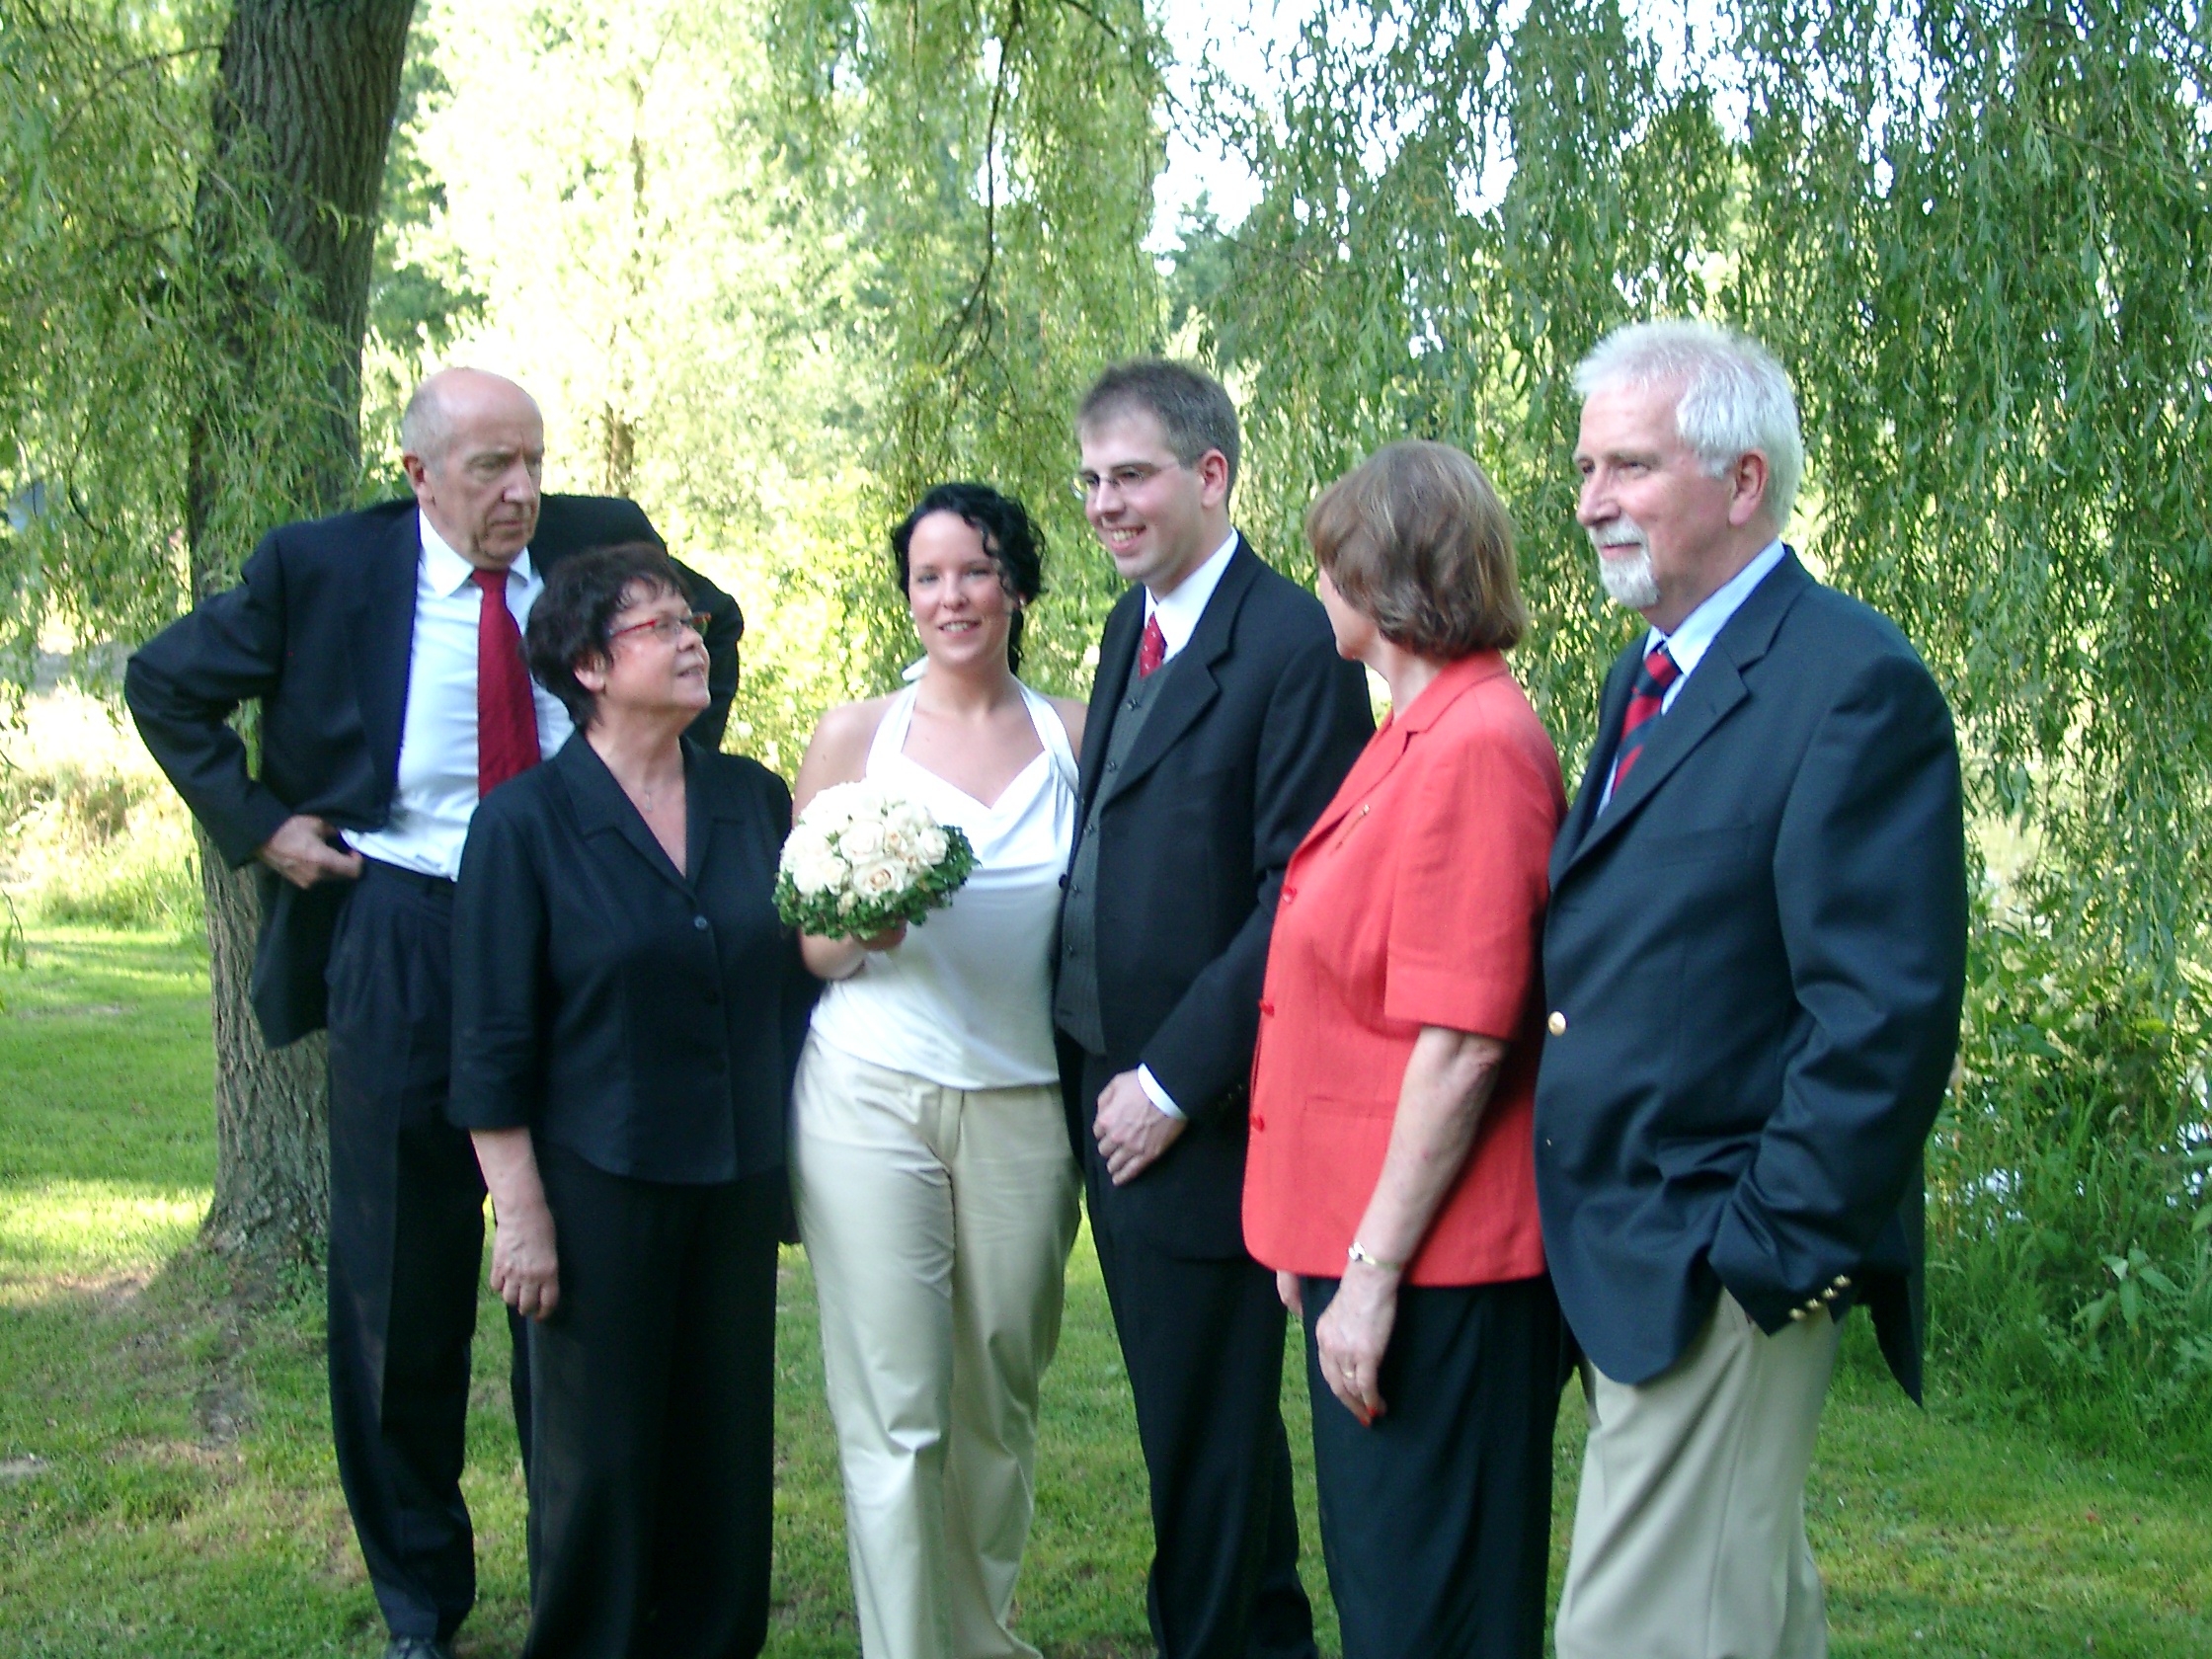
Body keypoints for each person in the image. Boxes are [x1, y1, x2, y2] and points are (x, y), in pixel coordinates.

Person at [122, 368, 742, 1659]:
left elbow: (710, 631)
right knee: (400, 1284)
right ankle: (421, 1600)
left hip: (579, 933)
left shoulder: (602, 540)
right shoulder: (319, 567)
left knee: (576, 1278)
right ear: (418, 474)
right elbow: (164, 682)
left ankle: (591, 1573)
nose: (522, 492)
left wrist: (649, 791)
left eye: (533, 462)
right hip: (405, 924)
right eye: (489, 468)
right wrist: (263, 827)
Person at [1537, 320, 1967, 1659]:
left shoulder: (1851, 686)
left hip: (1715, 1263)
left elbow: (1882, 1018)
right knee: (1746, 1619)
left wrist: (1760, 1255)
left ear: (1743, 483)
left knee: (1632, 1637)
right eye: (1586, 467)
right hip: (1633, 1247)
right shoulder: (1646, 672)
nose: (1591, 501)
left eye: (1630, 466)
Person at [1054, 359, 1373, 1659]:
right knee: (1191, 1430)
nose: (1104, 505)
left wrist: (1173, 1082)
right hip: (1108, 1088)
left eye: (1129, 477)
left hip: (1203, 1110)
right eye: (1089, 481)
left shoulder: (1292, 645)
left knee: (1207, 1435)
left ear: (1210, 475)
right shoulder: (1128, 625)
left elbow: (1297, 898)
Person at [446, 543, 806, 1659]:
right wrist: (521, 1215)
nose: (694, 640)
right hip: (596, 1184)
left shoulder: (752, 799)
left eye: (692, 621)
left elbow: (796, 972)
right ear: (591, 668)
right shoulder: (523, 824)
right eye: (661, 626)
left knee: (724, 1450)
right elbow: (489, 1038)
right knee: (597, 1462)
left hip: (736, 1179)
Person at [1242, 440, 1567, 1659]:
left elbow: (1462, 1042)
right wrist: (1316, 1239)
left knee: (1428, 1615)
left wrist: (1368, 1271)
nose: (1314, 584)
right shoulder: (1413, 731)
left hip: (1439, 1269)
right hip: (1376, 1245)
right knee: (1389, 1602)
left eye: (1329, 561)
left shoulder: (1477, 743)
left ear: (1383, 577)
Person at [789, 483, 1084, 1659]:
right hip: (868, 1096)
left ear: (1016, 584)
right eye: (928, 576)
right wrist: (865, 926)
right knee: (896, 1412)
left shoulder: (1076, 733)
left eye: (976, 570)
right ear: (905, 595)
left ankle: (980, 1638)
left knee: (996, 1402)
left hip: (1025, 1102)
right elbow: (811, 946)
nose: (951, 596)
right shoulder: (854, 737)